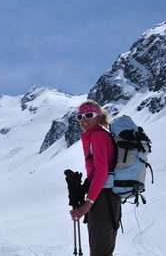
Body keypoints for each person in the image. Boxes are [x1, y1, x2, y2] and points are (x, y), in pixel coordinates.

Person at [69, 100, 121, 256]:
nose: (83, 120)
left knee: (100, 251)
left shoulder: (98, 136)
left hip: (104, 199)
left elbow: (101, 171)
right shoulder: (95, 135)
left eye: (89, 115)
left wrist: (87, 204)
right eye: (80, 117)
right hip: (105, 197)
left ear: (98, 117)